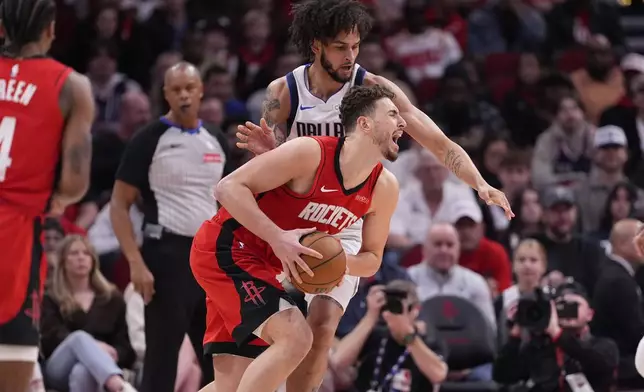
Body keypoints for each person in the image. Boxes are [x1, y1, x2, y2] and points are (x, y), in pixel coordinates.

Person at [233, 1, 514, 391]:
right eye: (340, 47)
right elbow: (264, 168)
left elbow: (434, 138)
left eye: (355, 46)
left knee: (323, 325)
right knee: (268, 339)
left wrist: (479, 182)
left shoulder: (374, 90)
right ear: (316, 46)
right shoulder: (282, 92)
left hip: (343, 218)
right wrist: (269, 152)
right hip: (292, 217)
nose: (350, 56)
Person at [191, 84, 402, 392]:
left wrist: (335, 263)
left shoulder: (384, 187)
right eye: (394, 114)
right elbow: (227, 188)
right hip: (228, 249)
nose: (404, 122)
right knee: (296, 337)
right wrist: (279, 238)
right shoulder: (310, 152)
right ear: (365, 123)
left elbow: (371, 261)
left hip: (263, 267)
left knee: (230, 384)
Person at [111, 62, 228, 392]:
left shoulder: (216, 139)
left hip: (209, 259)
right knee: (161, 362)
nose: (184, 95)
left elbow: (229, 202)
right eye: (176, 90)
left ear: (201, 90)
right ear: (165, 94)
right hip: (165, 258)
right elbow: (119, 204)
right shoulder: (148, 140)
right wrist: (135, 262)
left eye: (190, 88)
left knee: (220, 361)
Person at [0, 0, 95, 390]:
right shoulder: (72, 86)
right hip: (17, 230)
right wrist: (53, 198)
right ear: (51, 30)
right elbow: (74, 184)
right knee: (13, 355)